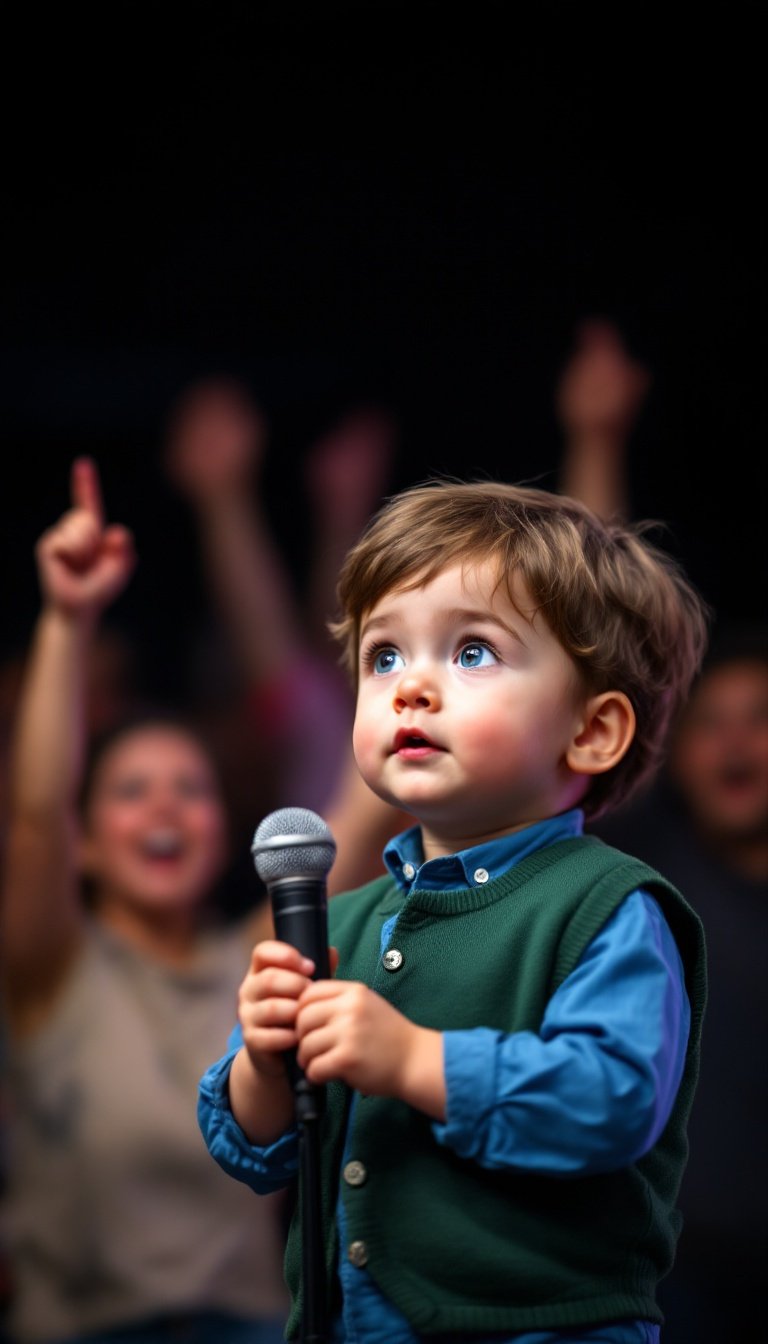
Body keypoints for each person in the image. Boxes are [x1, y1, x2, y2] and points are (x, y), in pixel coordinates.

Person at [198, 477, 710, 1342]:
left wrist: (411, 1059)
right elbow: (251, 1151)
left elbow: (611, 1100)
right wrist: (265, 1066)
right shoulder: (343, 921)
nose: (410, 687)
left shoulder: (605, 908)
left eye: (472, 652)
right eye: (383, 657)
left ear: (591, 732)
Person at [0, 458, 290, 1343]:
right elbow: (38, 812)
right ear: (86, 843)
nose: (165, 809)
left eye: (190, 789)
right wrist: (67, 619)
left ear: (223, 831)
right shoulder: (53, 968)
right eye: (132, 790)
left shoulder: (258, 960)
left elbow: (361, 816)